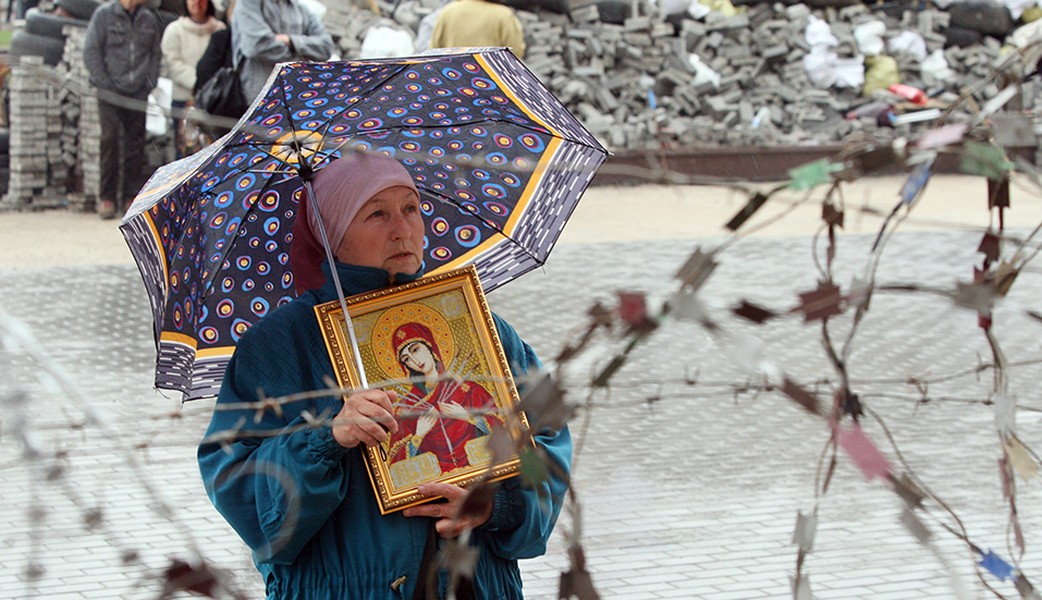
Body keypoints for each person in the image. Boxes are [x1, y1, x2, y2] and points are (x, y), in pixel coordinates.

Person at [197, 152, 571, 599]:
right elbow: (240, 490)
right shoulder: (279, 346)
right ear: (332, 235)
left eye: (410, 208)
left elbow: (546, 440)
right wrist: (327, 437)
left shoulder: (474, 323)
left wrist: (499, 504)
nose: (402, 229)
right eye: (376, 213)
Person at [386, 321, 503, 474]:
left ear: (430, 347)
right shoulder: (406, 408)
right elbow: (394, 465)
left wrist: (469, 416)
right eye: (406, 359)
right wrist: (418, 435)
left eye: (415, 350)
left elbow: (506, 430)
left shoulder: (469, 390)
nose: (414, 361)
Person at [83, 0, 163, 220]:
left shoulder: (149, 19)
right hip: (109, 92)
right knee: (109, 140)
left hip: (137, 93)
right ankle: (106, 197)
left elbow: (155, 55)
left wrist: (149, 83)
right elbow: (91, 51)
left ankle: (131, 196)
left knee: (135, 144)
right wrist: (104, 84)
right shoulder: (103, 15)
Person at [231, 0, 334, 106]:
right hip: (256, 98)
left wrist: (291, 41)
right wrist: (302, 57)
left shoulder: (302, 10)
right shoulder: (250, 3)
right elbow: (255, 46)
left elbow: (326, 47)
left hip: (292, 98)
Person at [161, 0, 226, 157]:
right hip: (183, 100)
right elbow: (172, 63)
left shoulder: (219, 30)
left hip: (213, 102)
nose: (198, 2)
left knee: (214, 152)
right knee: (184, 153)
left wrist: (209, 86)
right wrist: (198, 83)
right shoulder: (174, 30)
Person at [430, 0, 526, 60]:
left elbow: (433, 49)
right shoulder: (503, 15)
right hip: (491, 79)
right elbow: (515, 51)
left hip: (452, 77)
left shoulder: (448, 11)